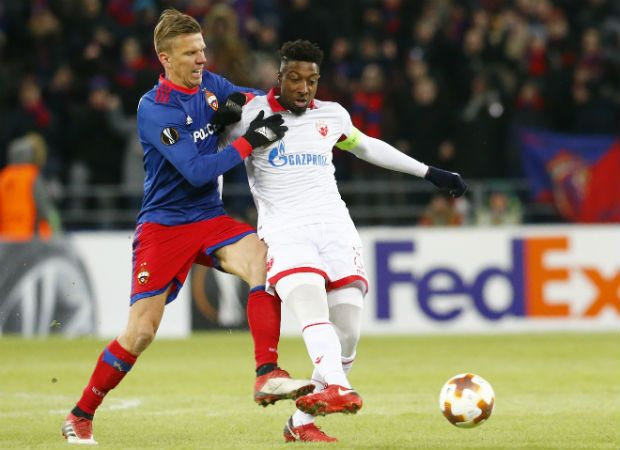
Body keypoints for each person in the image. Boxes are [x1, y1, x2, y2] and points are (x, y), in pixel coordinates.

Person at [61, 10, 314, 445]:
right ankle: (81, 414)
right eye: (190, 53)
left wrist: (285, 99)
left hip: (209, 218)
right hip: (164, 226)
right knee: (141, 332)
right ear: (165, 58)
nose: (201, 59)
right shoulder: (155, 108)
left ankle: (267, 372)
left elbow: (253, 98)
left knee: (261, 259)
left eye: (202, 50)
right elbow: (197, 171)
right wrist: (249, 140)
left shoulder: (210, 85)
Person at [220, 40, 467, 443]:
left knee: (347, 334)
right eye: (295, 78)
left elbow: (366, 146)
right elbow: (212, 157)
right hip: (285, 231)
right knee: (311, 307)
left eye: (312, 80)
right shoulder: (249, 114)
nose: (304, 88)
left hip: (335, 228)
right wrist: (218, 133)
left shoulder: (332, 115)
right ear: (279, 76)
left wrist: (429, 173)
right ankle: (338, 385)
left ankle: (301, 423)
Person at [0, 133, 59, 241]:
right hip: (28, 236)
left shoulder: (4, 177)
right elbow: (43, 207)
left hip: (5, 238)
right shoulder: (32, 176)